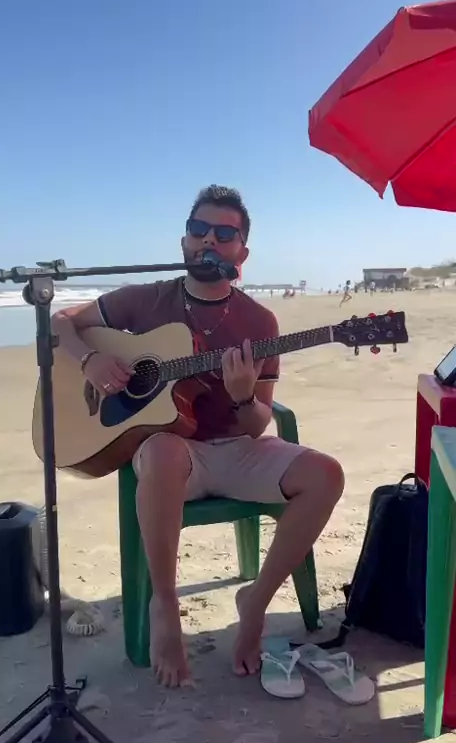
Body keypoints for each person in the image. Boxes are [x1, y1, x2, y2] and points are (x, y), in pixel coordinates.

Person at [52, 185, 344, 688]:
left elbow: (257, 423)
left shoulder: (259, 322)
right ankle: (165, 606)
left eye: (224, 233)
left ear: (241, 253)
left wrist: (242, 397)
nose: (209, 239)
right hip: (170, 455)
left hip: (237, 449)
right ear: (184, 242)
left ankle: (255, 603)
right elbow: (60, 323)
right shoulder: (146, 299)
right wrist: (91, 359)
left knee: (327, 474)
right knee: (164, 449)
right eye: (199, 229)